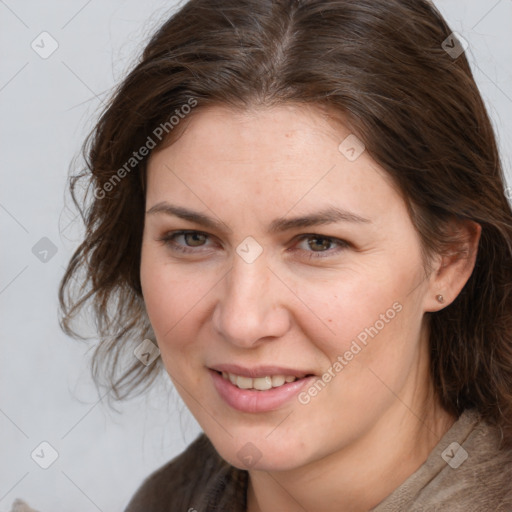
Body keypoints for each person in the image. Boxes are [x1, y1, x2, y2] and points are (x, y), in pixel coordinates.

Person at [58, 0, 512, 510]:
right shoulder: (168, 499)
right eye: (192, 238)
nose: (242, 321)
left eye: (319, 243)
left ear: (448, 259)